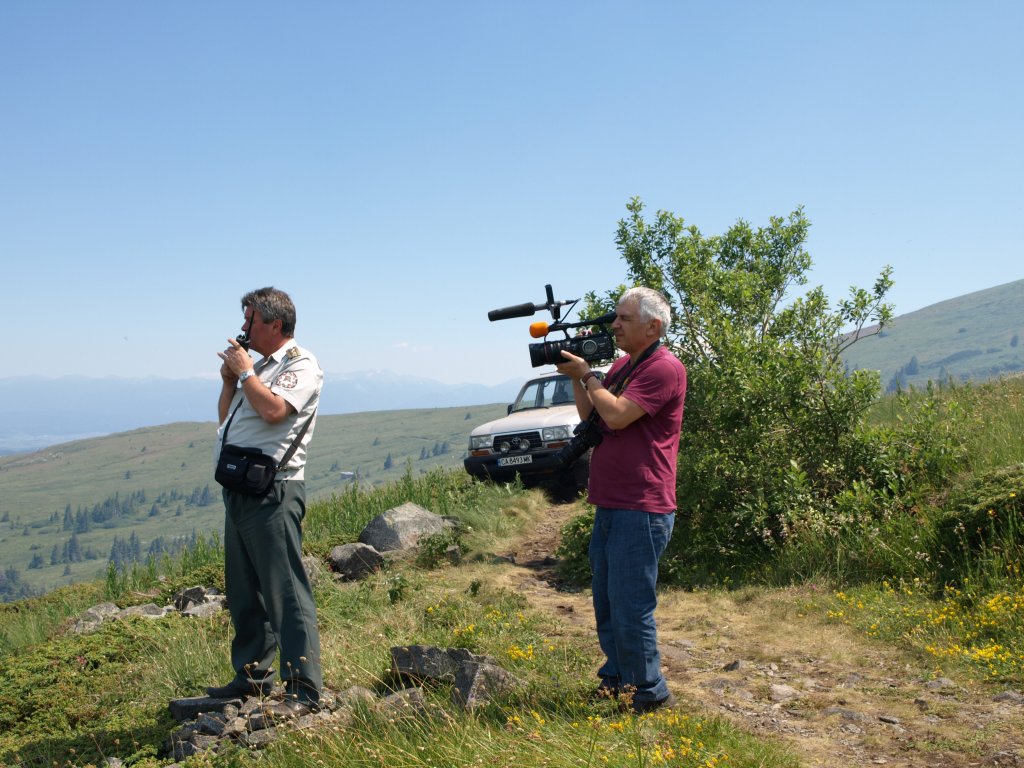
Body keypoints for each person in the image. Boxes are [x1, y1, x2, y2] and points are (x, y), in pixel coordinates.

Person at [555, 286, 686, 713]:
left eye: (624, 319)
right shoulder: (624, 366)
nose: (614, 325)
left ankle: (647, 692)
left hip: (642, 505)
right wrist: (580, 376)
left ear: (654, 326)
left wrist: (588, 374)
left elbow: (617, 414)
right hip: (612, 501)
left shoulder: (664, 368)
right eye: (616, 317)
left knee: (631, 603)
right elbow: (591, 416)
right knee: (608, 599)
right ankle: (617, 679)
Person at [208, 286, 324, 719]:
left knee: (285, 591)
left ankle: (305, 688)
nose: (243, 328)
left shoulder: (301, 364)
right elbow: (227, 421)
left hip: (274, 490)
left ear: (275, 325)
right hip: (240, 487)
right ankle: (252, 677)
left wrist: (245, 375)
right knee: (244, 589)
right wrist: (231, 381)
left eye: (251, 320)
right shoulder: (256, 369)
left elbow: (276, 412)